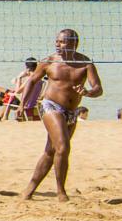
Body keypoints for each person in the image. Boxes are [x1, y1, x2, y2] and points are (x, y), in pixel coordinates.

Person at [20, 29, 103, 203]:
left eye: (63, 42)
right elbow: (32, 80)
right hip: (50, 106)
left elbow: (98, 89)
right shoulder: (49, 61)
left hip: (71, 112)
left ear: (74, 44)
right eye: (57, 41)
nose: (58, 45)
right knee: (63, 147)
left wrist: (87, 92)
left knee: (51, 151)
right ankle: (61, 192)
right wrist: (22, 103)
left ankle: (29, 190)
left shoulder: (85, 63)